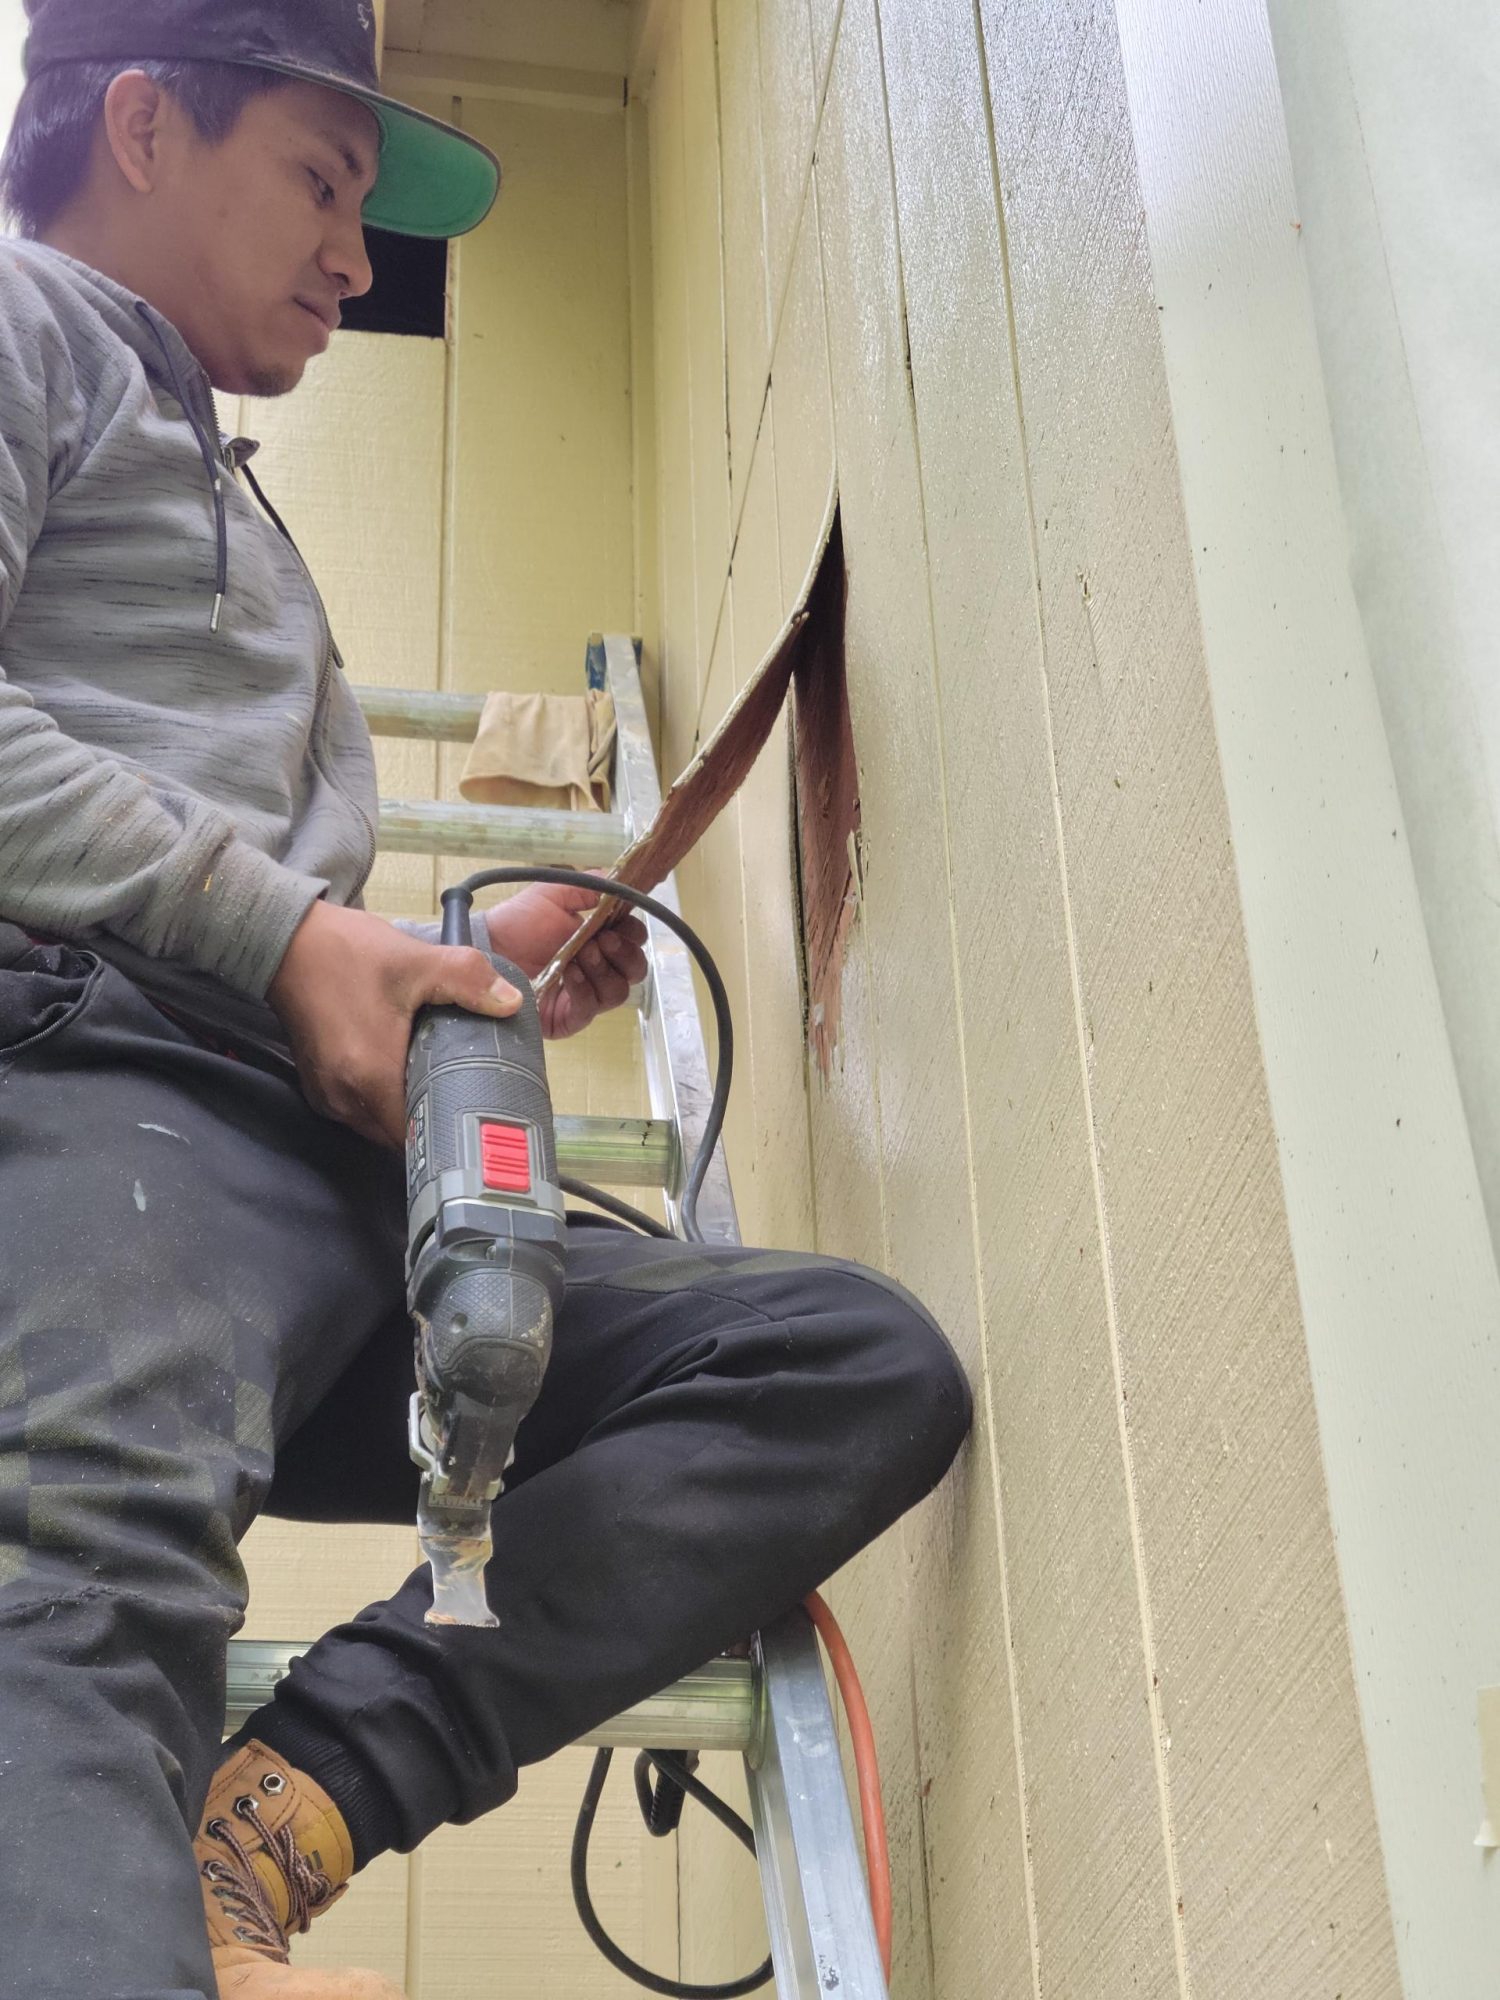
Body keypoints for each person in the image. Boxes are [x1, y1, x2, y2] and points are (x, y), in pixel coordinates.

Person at [0, 4, 973, 1996]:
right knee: (80, 1603)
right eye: (322, 181)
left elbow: (234, 884)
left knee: (845, 1365)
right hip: (112, 1110)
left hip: (313, 1170)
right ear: (141, 125)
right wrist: (293, 944)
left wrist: (454, 967)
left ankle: (274, 1818)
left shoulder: (216, 475)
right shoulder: (23, 323)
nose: (355, 255)